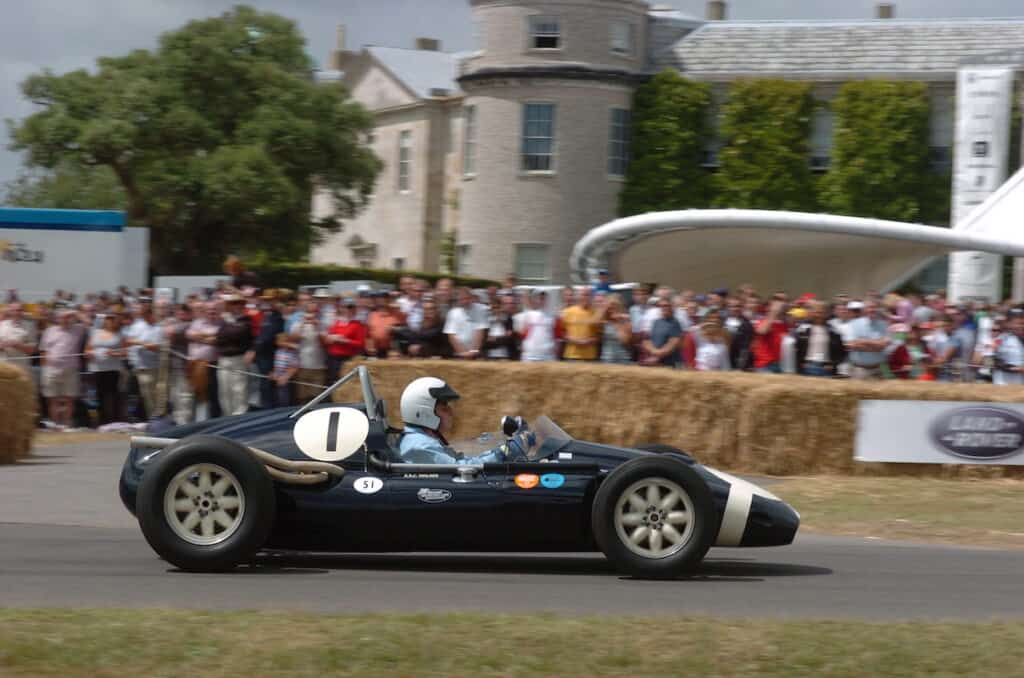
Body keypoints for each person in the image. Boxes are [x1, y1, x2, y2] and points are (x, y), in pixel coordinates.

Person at [398, 377, 525, 465]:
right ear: (424, 413)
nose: (451, 412)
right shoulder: (420, 446)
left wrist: (498, 450)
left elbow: (462, 459)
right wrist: (502, 454)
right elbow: (460, 468)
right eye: (444, 409)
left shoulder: (422, 439)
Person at [39, 309, 85, 429]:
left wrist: (74, 312)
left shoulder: (77, 329)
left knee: (69, 399)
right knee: (52, 399)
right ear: (57, 318)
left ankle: (66, 424)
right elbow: (43, 351)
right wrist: (45, 369)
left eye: (67, 317)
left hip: (70, 369)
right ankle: (55, 425)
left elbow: (90, 322)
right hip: (51, 369)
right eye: (62, 317)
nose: (64, 320)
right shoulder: (49, 331)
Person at [215, 295, 254, 416]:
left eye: (239, 304)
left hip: (238, 358)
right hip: (223, 359)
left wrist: (229, 326)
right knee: (224, 391)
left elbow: (238, 333)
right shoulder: (224, 320)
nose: (236, 306)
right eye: (233, 304)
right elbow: (220, 337)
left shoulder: (246, 320)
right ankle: (227, 416)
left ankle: (238, 417)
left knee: (239, 390)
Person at [85, 314, 126, 425]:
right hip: (97, 368)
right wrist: (89, 354)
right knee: (99, 394)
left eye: (111, 320)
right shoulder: (95, 333)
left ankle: (114, 419)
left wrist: (114, 353)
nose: (109, 322)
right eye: (107, 320)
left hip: (113, 368)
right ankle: (102, 420)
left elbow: (125, 352)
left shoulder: (119, 334)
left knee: (112, 394)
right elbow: (87, 349)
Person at [794, 301, 846, 376]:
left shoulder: (833, 331)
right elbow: (796, 349)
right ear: (812, 313)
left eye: (822, 312)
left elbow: (841, 351)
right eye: (817, 312)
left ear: (827, 314)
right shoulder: (803, 328)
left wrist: (833, 364)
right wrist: (801, 364)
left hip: (826, 369)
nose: (819, 315)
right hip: (808, 367)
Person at [561, 287, 601, 361]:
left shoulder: (596, 313)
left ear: (591, 297)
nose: (585, 297)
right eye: (583, 295)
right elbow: (562, 333)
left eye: (588, 295)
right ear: (578, 296)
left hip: (590, 357)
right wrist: (575, 341)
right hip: (571, 356)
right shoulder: (567, 312)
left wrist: (589, 341)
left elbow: (599, 335)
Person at [641, 298, 682, 367]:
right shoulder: (656, 322)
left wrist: (657, 356)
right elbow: (647, 341)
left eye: (666, 305)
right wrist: (653, 351)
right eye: (661, 306)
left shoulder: (675, 323)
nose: (663, 308)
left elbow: (672, 344)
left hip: (669, 363)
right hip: (655, 362)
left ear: (672, 307)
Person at [599, 293, 633, 365]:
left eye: (614, 307)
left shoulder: (625, 320)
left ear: (619, 307)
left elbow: (624, 340)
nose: (611, 310)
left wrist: (618, 322)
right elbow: (594, 324)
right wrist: (604, 308)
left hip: (622, 360)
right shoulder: (605, 321)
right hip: (606, 359)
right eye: (610, 308)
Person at [993, 309, 1024, 385]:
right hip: (1003, 383)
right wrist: (1015, 369)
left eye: (1022, 323)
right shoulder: (1001, 339)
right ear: (1008, 324)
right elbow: (996, 362)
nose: (1020, 326)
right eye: (1016, 323)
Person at [270, 333, 299, 406]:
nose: (282, 344)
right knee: (278, 397)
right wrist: (274, 373)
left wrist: (286, 377)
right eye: (279, 342)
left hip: (287, 380)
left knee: (285, 398)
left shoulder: (292, 352)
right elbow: (276, 365)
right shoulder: (278, 351)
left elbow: (294, 367)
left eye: (284, 341)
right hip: (278, 378)